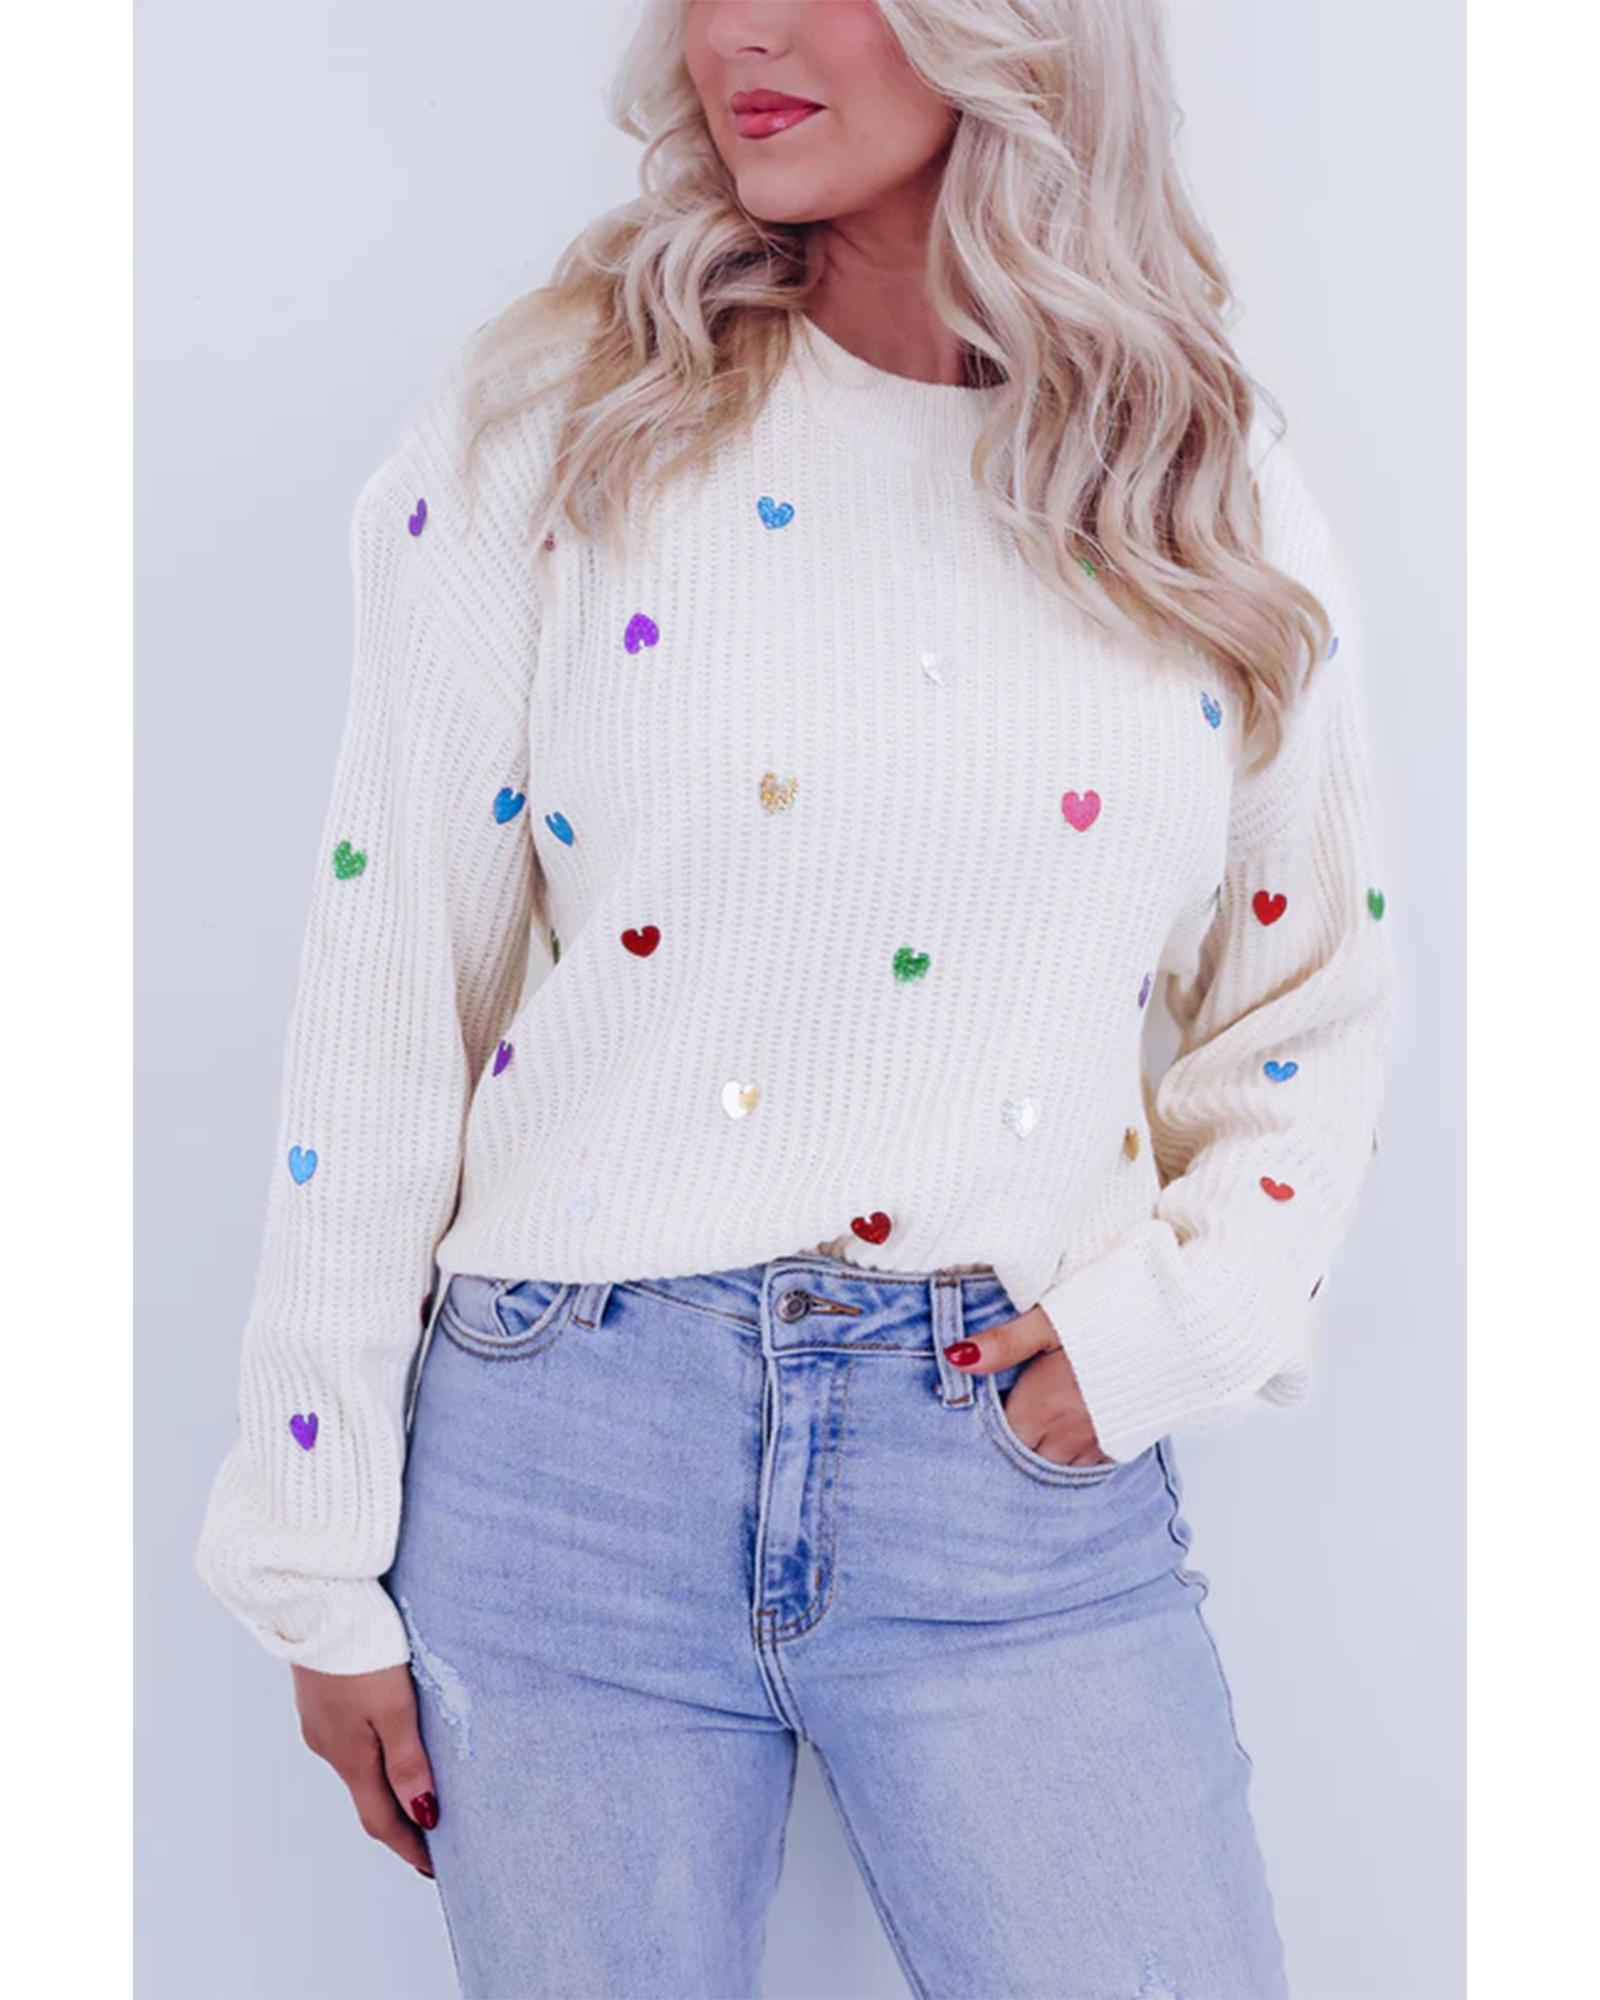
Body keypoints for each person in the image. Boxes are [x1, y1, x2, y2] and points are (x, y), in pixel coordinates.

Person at [196, 2, 1394, 1994]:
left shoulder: (1197, 477)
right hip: (561, 1469)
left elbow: (1312, 999)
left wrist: (1160, 1335)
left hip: (1007, 1482)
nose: (736, 31)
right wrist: (310, 1552)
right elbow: (386, 993)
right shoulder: (551, 427)